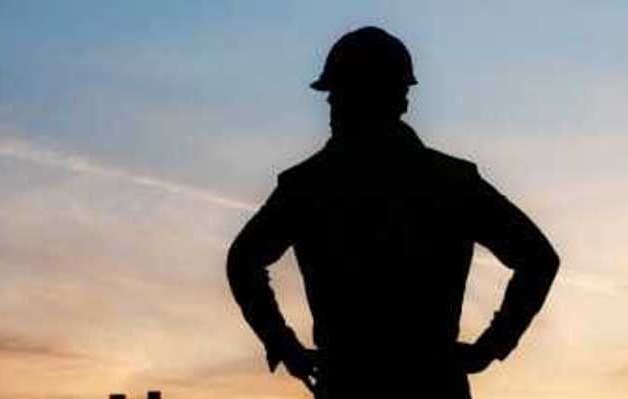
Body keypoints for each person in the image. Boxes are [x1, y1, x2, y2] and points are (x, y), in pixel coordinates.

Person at [226, 26, 560, 398]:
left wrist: (283, 345)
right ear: (402, 99)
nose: (330, 106)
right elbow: (539, 259)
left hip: (350, 383)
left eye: (336, 94)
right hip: (432, 384)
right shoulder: (452, 182)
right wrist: (491, 348)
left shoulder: (309, 185)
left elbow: (243, 261)